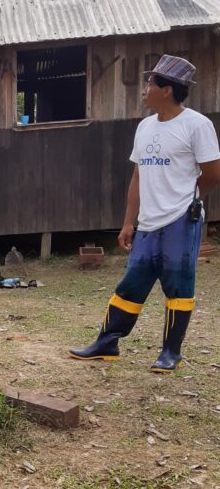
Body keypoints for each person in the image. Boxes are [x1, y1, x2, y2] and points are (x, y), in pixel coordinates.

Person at [70, 55, 220, 371]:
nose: (144, 89)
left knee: (178, 285)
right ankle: (107, 343)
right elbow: (138, 176)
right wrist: (129, 222)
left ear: (166, 90)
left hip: (181, 220)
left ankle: (171, 353)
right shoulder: (145, 127)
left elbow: (212, 173)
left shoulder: (196, 125)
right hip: (148, 223)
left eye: (150, 83)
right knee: (132, 283)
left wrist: (188, 198)